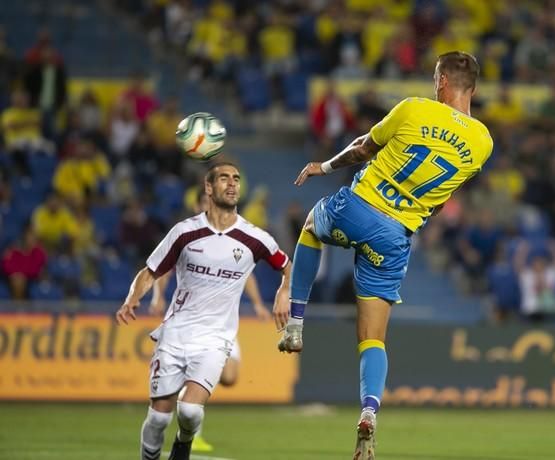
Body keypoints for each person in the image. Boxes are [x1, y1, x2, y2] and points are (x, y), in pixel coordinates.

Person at [275, 51, 493, 459]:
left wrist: (325, 165)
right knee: (373, 337)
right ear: (474, 89)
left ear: (441, 81)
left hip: (360, 207)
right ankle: (369, 412)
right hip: (395, 236)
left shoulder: (413, 109)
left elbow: (362, 148)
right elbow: (443, 196)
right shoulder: (482, 142)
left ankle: (296, 324)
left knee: (310, 226)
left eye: (435, 77)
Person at [115, 162, 291, 460]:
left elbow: (287, 266)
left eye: (236, 178)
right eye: (224, 178)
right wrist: (132, 298)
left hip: (215, 338)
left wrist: (283, 293)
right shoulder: (184, 232)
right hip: (175, 334)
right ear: (209, 188)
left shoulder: (255, 238)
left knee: (190, 411)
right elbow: (151, 270)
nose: (232, 183)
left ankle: (183, 444)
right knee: (158, 420)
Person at [148, 189, 272, 454]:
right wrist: (157, 297)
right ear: (197, 205)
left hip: (220, 327)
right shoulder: (186, 236)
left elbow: (247, 274)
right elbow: (162, 271)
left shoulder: (234, 239)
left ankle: (189, 402)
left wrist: (259, 304)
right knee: (184, 403)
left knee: (230, 377)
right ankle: (190, 430)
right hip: (187, 327)